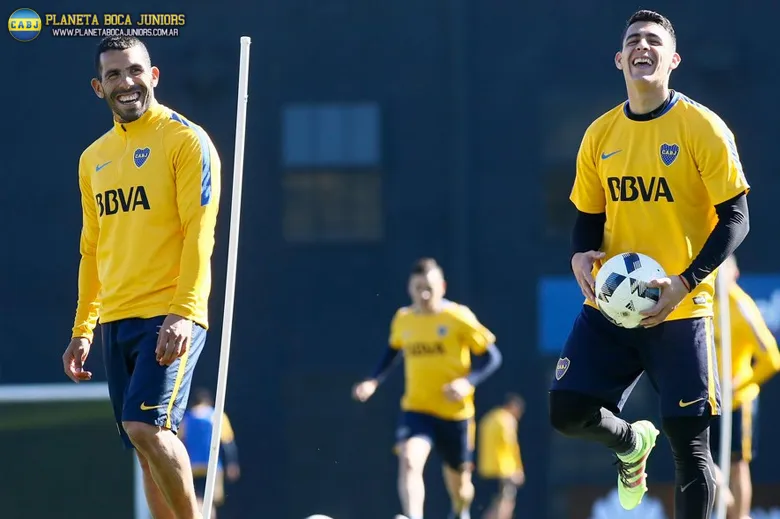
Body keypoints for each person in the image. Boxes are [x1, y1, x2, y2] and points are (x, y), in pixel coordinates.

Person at [547, 9, 750, 519]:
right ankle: (631, 444)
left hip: (680, 309)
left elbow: (737, 218)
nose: (643, 46)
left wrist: (684, 282)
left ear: (673, 59)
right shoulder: (600, 134)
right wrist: (579, 254)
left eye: (654, 41)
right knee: (567, 411)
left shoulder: (702, 127)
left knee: (691, 450)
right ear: (619, 59)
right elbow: (588, 218)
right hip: (613, 305)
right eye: (633, 40)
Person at [61, 36, 221, 519]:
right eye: (113, 74)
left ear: (153, 75)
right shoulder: (92, 158)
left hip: (169, 311)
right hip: (116, 318)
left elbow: (199, 234)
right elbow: (92, 250)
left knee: (146, 428)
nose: (125, 82)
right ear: (98, 87)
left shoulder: (185, 139)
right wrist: (83, 329)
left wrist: (184, 311)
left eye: (134, 70)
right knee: (145, 451)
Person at [352, 258, 503, 519]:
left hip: (455, 414)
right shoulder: (404, 319)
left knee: (461, 489)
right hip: (418, 408)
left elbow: (492, 357)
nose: (423, 295)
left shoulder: (457, 317)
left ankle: (461, 511)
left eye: (429, 288)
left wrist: (467, 382)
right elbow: (392, 352)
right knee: (409, 460)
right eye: (417, 288)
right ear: (409, 288)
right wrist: (372, 381)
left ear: (442, 287)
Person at [711, 255, 780, 519]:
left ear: (735, 273)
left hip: (738, 401)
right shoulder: (703, 301)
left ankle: (739, 515)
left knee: (738, 464)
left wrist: (739, 384)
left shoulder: (741, 307)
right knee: (700, 457)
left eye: (723, 269)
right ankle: (733, 511)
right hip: (708, 399)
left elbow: (771, 358)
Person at [180, 388, 241, 519]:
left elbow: (180, 442)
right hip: (213, 466)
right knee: (211, 501)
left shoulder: (186, 418)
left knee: (196, 498)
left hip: (192, 466)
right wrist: (232, 463)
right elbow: (228, 442)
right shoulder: (216, 416)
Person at [477, 393, 526, 519]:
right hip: (503, 470)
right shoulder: (507, 420)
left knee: (492, 503)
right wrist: (517, 470)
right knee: (504, 503)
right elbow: (510, 446)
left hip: (486, 468)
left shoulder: (489, 418)